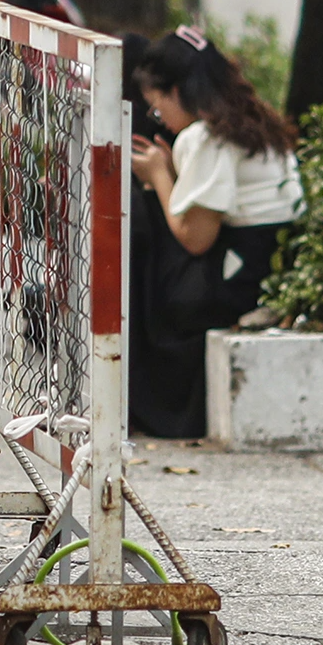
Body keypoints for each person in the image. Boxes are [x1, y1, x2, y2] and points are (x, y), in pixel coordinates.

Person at [126, 29, 303, 439]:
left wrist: (157, 176)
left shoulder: (205, 136)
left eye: (157, 109)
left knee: (141, 228)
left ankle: (145, 397)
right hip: (267, 265)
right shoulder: (253, 120)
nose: (162, 120)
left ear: (175, 91)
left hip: (236, 281)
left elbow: (195, 238)